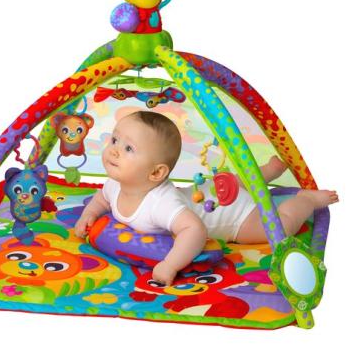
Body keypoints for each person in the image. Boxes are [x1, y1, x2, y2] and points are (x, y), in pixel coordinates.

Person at [74, 111, 338, 286]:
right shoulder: (115, 184)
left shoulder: (162, 204)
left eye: (128, 148)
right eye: (115, 139)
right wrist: (89, 215)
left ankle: (306, 201)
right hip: (207, 192)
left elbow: (195, 231)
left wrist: (170, 264)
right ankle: (267, 172)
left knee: (278, 226)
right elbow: (102, 199)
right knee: (231, 184)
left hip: (234, 216)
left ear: (156, 173)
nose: (114, 150)